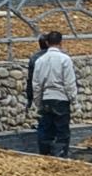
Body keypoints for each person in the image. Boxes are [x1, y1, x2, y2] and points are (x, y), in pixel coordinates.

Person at [29, 29, 79, 158]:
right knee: (62, 131)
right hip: (61, 99)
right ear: (61, 43)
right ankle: (60, 156)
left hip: (46, 99)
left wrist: (37, 103)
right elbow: (69, 83)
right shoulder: (65, 60)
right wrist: (74, 101)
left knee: (45, 129)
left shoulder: (40, 61)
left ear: (47, 42)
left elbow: (36, 85)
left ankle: (45, 155)